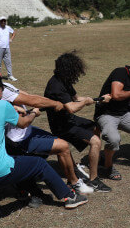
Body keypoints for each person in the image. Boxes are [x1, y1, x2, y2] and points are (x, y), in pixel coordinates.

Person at [0, 73, 87, 209]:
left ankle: (28, 191)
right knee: (39, 164)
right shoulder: (2, 106)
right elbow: (23, 123)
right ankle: (69, 196)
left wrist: (14, 108)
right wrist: (34, 113)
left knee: (21, 161)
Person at [43, 51, 110, 193]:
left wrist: (96, 99)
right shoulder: (55, 85)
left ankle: (92, 159)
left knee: (95, 127)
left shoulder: (64, 80)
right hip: (61, 125)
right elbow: (72, 108)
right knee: (96, 142)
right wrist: (85, 102)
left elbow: (76, 99)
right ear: (69, 70)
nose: (77, 74)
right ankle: (94, 181)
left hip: (69, 120)